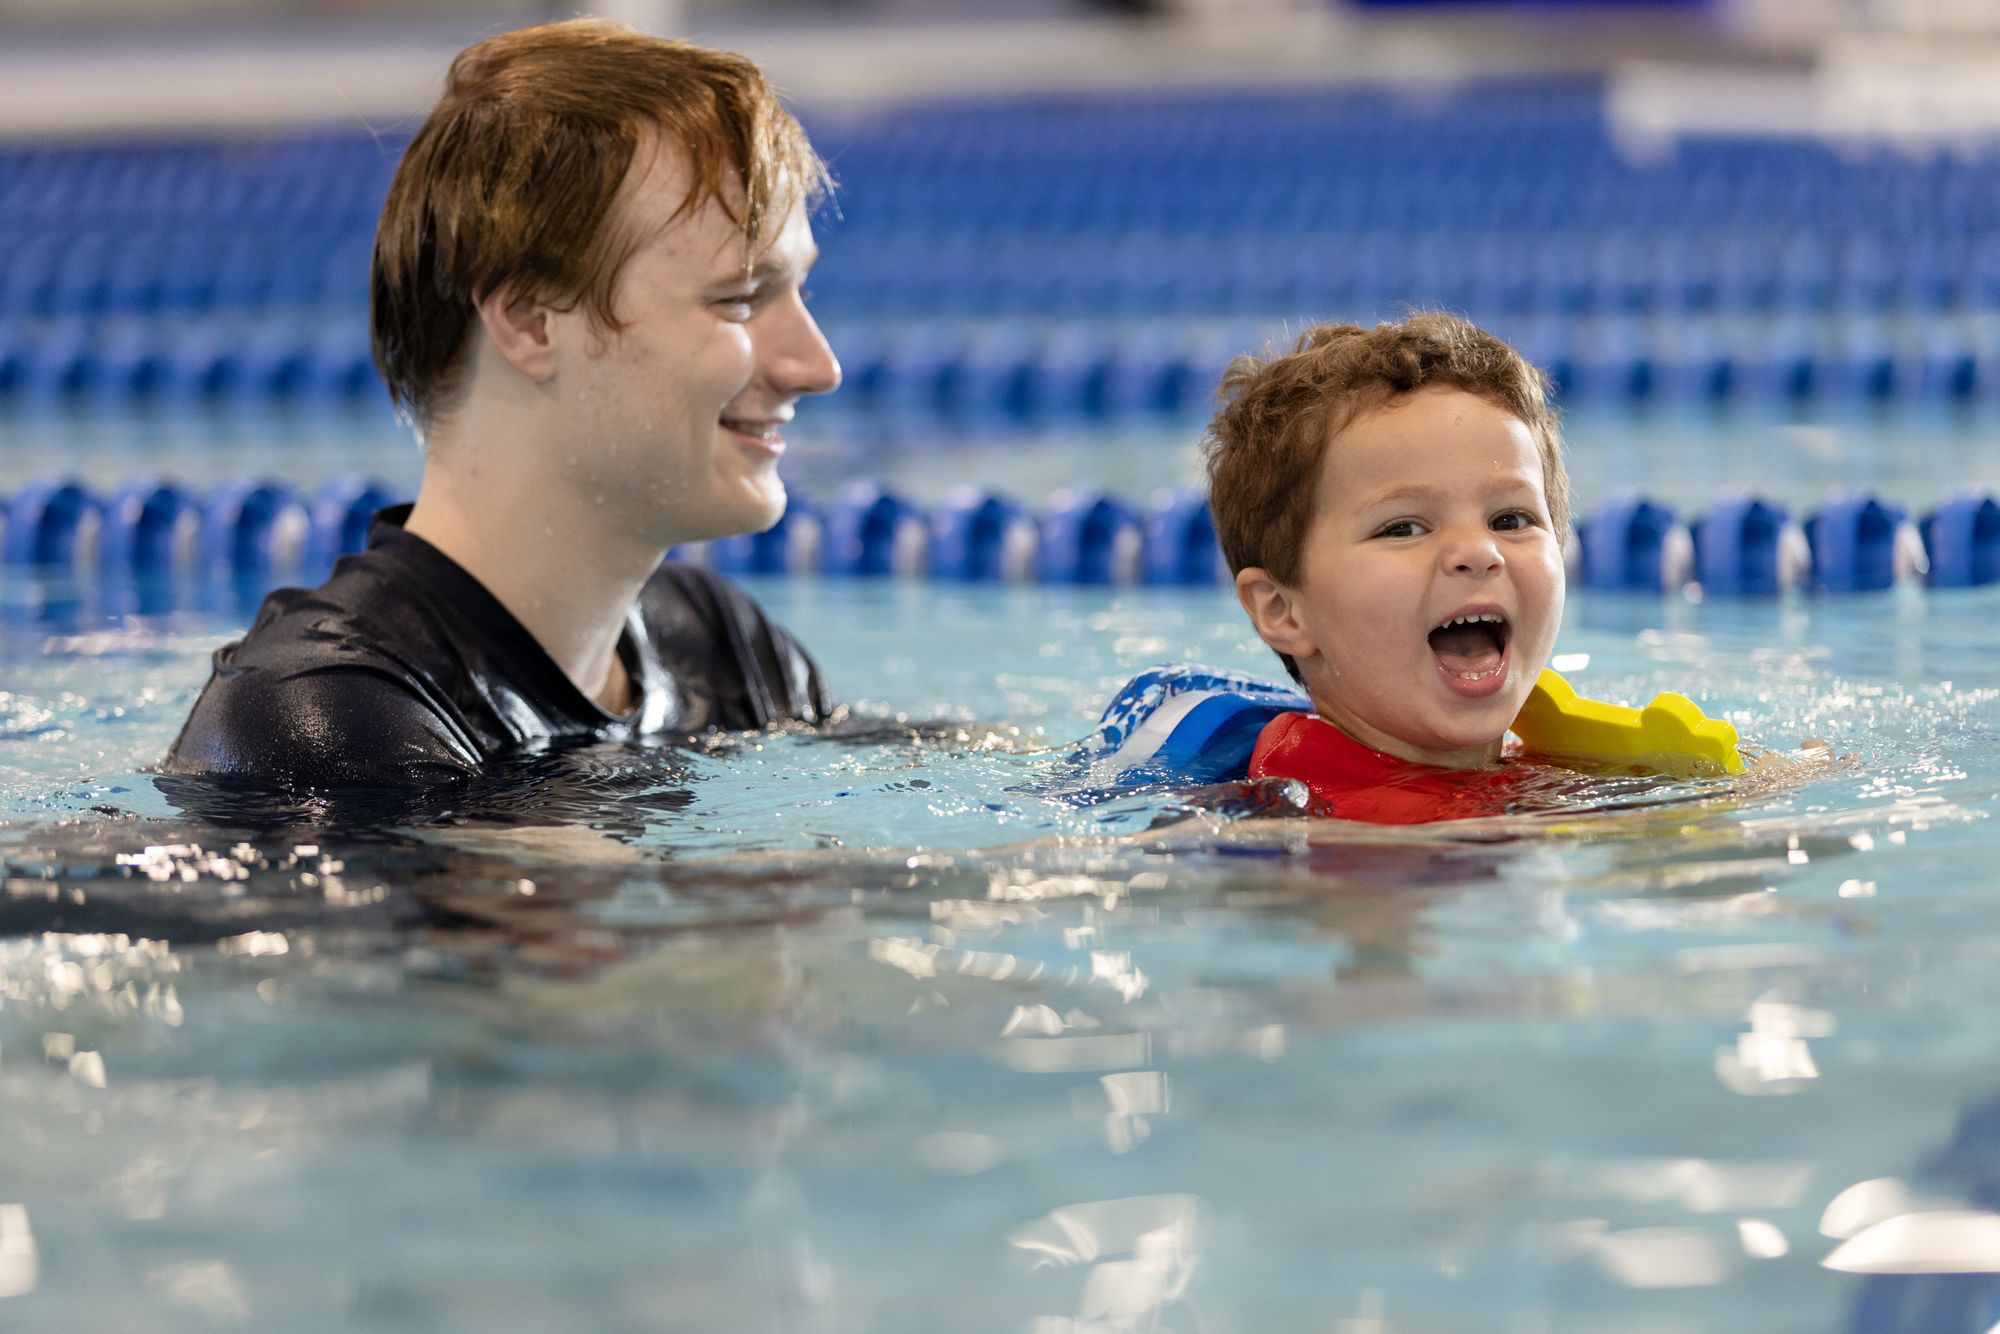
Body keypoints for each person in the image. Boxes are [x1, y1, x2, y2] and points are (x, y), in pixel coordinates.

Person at [161, 19, 843, 794]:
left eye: (801, 289)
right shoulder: (324, 721)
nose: (817, 367)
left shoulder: (724, 650)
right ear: (527, 322)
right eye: (741, 299)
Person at [1203, 312, 1573, 823]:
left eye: (1510, 519)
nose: (1478, 551)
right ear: (1284, 610)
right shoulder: (1308, 821)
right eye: (1403, 528)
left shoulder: (1566, 766)